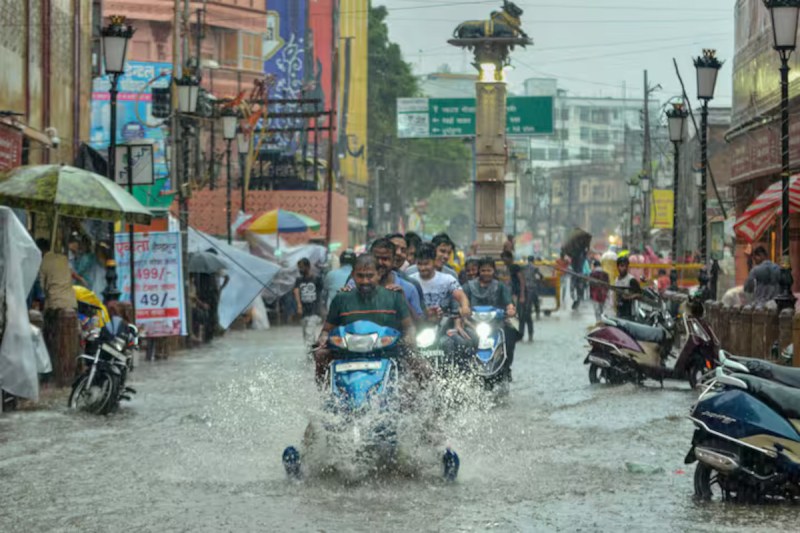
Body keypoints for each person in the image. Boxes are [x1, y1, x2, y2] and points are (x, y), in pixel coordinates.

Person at [315, 254, 417, 385]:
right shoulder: (341, 299)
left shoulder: (394, 297)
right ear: (353, 275)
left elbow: (409, 326)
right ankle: (325, 392)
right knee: (320, 354)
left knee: (420, 366)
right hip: (348, 353)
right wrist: (323, 339)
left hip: (386, 351)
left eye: (369, 276)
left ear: (378, 274)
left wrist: (409, 339)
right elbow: (327, 330)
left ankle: (426, 400)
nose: (365, 281)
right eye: (360, 276)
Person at [463, 257, 519, 379]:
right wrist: (464, 308)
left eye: (489, 270)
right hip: (472, 325)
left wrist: (510, 309)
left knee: (511, 335)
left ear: (494, 271)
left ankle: (506, 367)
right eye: (483, 270)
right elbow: (462, 301)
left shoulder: (500, 286)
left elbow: (508, 301)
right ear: (479, 271)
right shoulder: (468, 286)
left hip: (496, 324)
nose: (486, 273)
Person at [347, 239, 424, 321]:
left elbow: (419, 325)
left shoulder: (408, 288)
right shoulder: (355, 283)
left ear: (394, 260)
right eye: (376, 258)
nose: (380, 262)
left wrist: (403, 300)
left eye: (385, 259)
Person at [409, 242, 470, 320]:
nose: (422, 268)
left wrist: (465, 307)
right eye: (419, 264)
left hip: (444, 325)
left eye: (426, 264)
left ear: (434, 261)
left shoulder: (448, 279)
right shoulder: (411, 281)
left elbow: (461, 296)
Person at [294, 257, 323, 347]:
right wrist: (299, 306)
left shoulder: (317, 279)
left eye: (302, 267)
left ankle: (309, 356)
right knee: (306, 335)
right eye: (299, 267)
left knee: (309, 333)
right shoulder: (299, 280)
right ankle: (313, 353)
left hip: (314, 311)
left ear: (308, 267)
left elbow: (321, 293)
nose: (300, 270)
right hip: (304, 312)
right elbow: (296, 291)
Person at [522, 255, 543, 329]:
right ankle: (537, 314)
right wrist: (541, 280)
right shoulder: (535, 267)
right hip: (533, 287)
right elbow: (540, 276)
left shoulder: (524, 267)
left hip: (525, 286)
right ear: (533, 260)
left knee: (527, 302)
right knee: (535, 301)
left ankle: (527, 315)